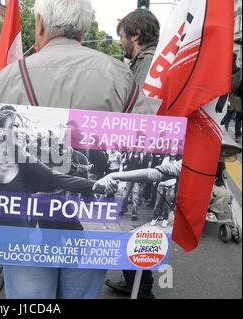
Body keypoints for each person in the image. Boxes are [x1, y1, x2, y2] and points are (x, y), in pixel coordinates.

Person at [0, 0, 151, 299]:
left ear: (41, 25)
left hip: (25, 230)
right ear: (84, 29)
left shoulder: (7, 77)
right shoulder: (120, 76)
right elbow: (142, 140)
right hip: (83, 223)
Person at [104, 8, 161, 300]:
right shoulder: (150, 61)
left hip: (140, 155)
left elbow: (141, 115)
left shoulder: (148, 64)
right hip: (141, 156)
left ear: (136, 35)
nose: (120, 43)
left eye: (122, 37)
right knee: (128, 218)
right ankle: (136, 280)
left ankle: (142, 288)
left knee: (129, 222)